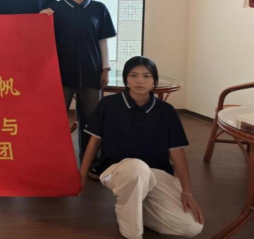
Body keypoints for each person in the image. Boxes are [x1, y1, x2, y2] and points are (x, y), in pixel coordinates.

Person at [80, 56, 204, 239]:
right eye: (133, 75)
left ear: (154, 81)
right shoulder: (108, 104)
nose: (140, 81)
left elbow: (177, 152)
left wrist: (187, 192)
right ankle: (132, 232)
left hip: (156, 174)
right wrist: (82, 175)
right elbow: (93, 143)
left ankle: (133, 207)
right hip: (117, 170)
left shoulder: (166, 111)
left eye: (146, 76)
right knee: (137, 169)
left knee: (191, 227)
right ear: (126, 79)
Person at [41, 0, 116, 161]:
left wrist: (105, 68)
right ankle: (55, 162)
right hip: (61, 73)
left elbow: (102, 40)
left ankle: (90, 162)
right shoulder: (54, 9)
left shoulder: (99, 8)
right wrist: (40, 20)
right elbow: (42, 40)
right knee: (56, 119)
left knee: (91, 120)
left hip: (91, 71)